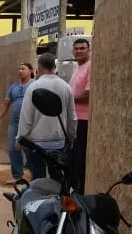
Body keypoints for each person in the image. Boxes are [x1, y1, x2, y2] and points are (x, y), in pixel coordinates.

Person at [16, 53, 77, 182]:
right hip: (59, 142)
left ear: (38, 68)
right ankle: (57, 200)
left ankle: (39, 201)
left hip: (36, 143)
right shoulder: (66, 87)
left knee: (38, 178)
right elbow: (72, 117)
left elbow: (26, 116)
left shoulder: (33, 87)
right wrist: (71, 137)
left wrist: (20, 138)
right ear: (54, 67)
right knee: (57, 179)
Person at [0, 62, 35, 185]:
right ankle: (17, 175)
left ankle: (36, 176)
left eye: (23, 68)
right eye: (19, 69)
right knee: (12, 148)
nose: (20, 71)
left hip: (30, 123)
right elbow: (6, 103)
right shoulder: (14, 87)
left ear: (31, 71)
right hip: (15, 122)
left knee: (30, 149)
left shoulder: (34, 85)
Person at [69, 38, 91, 194]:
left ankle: (80, 192)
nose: (78, 51)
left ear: (89, 50)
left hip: (84, 120)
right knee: (74, 158)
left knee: (80, 158)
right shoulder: (77, 68)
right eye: (76, 49)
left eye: (82, 48)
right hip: (75, 119)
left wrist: (68, 98)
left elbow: (88, 94)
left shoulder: (90, 66)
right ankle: (76, 190)